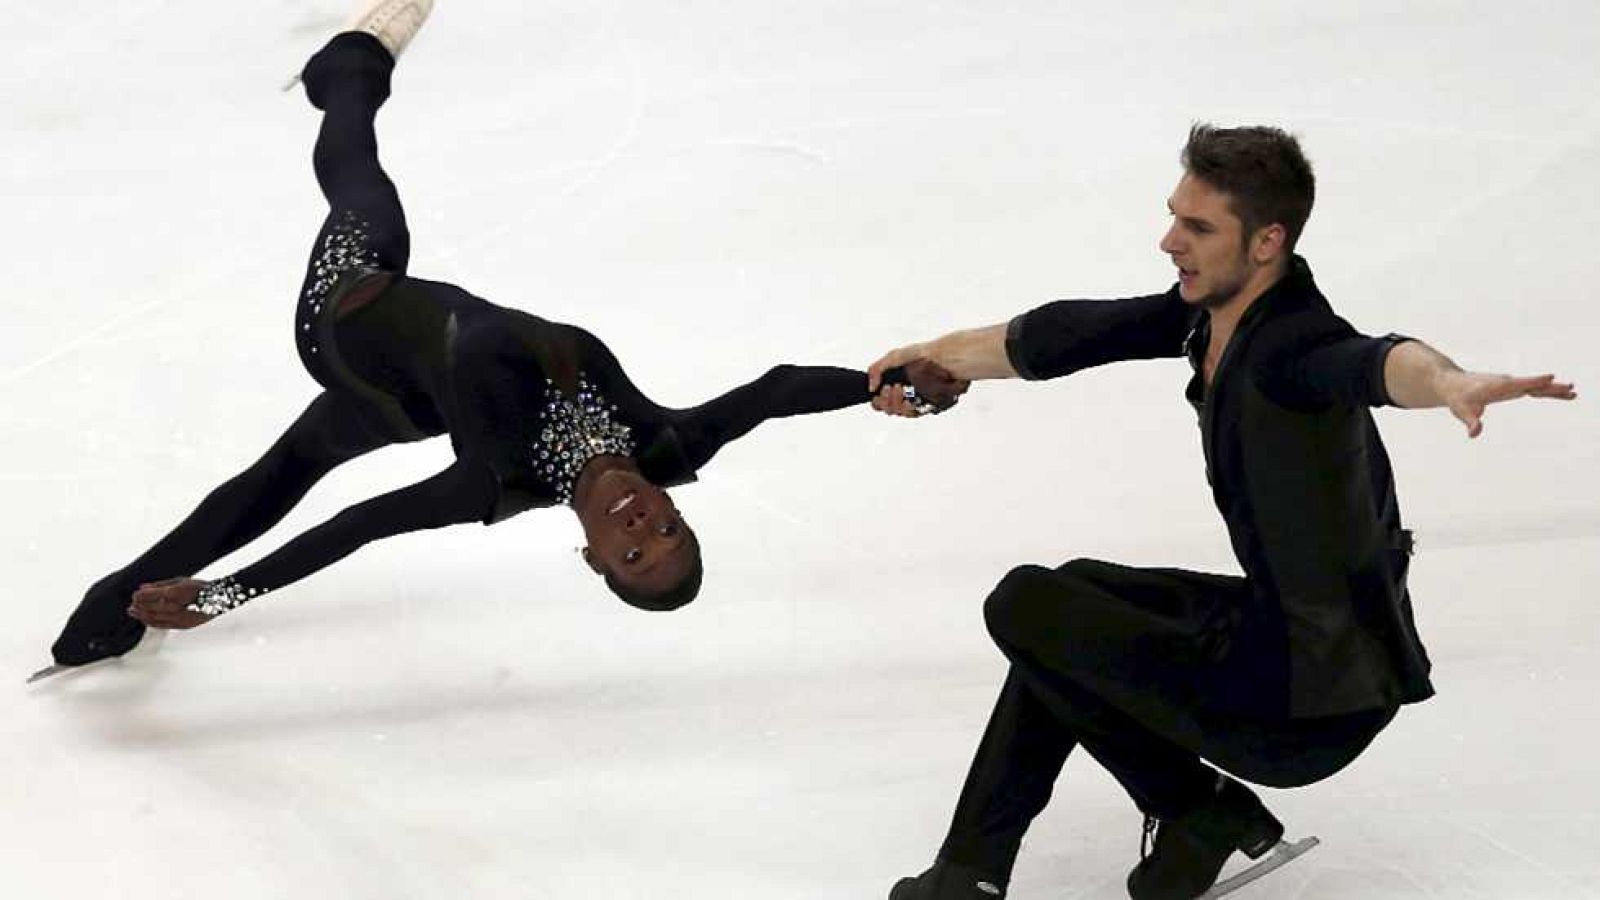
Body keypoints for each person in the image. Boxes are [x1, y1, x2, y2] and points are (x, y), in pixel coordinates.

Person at [45, 0, 967, 672]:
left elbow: (360, 526)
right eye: (669, 531)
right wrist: (880, 382)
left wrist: (232, 594)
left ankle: (348, 70)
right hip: (408, 395)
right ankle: (104, 615)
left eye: (632, 556)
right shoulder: (667, 443)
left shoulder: (497, 479)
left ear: (592, 556)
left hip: (349, 324)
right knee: (272, 480)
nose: (643, 526)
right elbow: (772, 391)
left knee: (366, 197)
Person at [867, 124, 1577, 899]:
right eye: (1175, 215)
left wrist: (1449, 382)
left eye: (1198, 227)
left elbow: (1376, 362)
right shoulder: (1207, 314)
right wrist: (930, 356)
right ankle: (972, 875)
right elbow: (1068, 333)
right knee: (1069, 600)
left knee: (1028, 604)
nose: (1170, 240)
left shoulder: (1296, 346)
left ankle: (1196, 808)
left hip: (1310, 698)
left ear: (1268, 240)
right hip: (1271, 631)